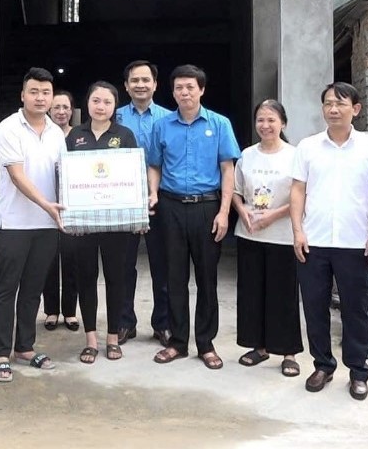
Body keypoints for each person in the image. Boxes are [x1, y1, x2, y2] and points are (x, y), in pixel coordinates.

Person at [290, 82, 368, 400]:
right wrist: (297, 231)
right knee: (314, 306)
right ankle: (323, 365)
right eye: (328, 103)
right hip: (314, 240)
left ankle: (358, 372)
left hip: (355, 241)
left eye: (340, 104)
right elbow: (298, 190)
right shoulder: (308, 147)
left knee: (355, 309)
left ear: (355, 109)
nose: (333, 109)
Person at [148, 64, 240, 370]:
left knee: (207, 278)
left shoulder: (219, 124)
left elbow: (228, 169)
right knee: (174, 277)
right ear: (172, 92)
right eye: (179, 88)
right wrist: (153, 193)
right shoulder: (162, 125)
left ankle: (206, 343)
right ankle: (177, 342)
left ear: (201, 89)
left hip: (207, 208)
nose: (184, 92)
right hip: (170, 207)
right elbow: (155, 165)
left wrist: (224, 213)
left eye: (190, 87)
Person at [0, 67, 65, 382]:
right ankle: (0, 353)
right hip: (14, 222)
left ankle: (25, 347)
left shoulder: (56, 132)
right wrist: (47, 204)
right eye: (33, 91)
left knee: (33, 288)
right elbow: (17, 175)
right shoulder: (9, 128)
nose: (40, 98)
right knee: (7, 288)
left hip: (47, 224)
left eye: (45, 92)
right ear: (23, 95)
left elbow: (65, 176)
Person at [65, 81, 139, 364]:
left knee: (116, 277)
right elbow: (66, 176)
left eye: (107, 102)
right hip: (84, 222)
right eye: (96, 101)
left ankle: (112, 338)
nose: (101, 106)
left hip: (116, 223)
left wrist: (136, 213)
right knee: (86, 277)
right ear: (87, 103)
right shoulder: (75, 135)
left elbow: (133, 176)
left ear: (114, 106)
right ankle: (91, 339)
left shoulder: (125, 135)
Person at [232, 99, 303, 377]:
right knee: (252, 292)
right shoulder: (247, 155)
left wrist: (273, 215)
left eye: (271, 120)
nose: (265, 125)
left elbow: (302, 195)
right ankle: (259, 347)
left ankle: (288, 352)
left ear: (283, 123)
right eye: (260, 120)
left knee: (283, 294)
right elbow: (236, 191)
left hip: (283, 235)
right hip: (250, 233)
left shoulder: (295, 155)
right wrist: (242, 211)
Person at [115, 60, 172, 347]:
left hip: (159, 199)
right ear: (126, 86)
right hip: (122, 200)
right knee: (123, 265)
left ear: (155, 84)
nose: (140, 85)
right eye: (134, 80)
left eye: (145, 80)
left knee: (163, 264)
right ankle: (124, 322)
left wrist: (154, 192)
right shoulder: (113, 116)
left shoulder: (169, 118)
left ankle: (163, 324)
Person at [42, 89, 80, 332]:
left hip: (72, 207)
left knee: (71, 259)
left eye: (66, 107)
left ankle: (70, 311)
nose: (61, 111)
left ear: (72, 110)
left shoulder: (79, 136)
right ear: (49, 109)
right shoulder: (43, 135)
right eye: (56, 107)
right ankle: (51, 310)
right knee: (48, 260)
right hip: (45, 205)